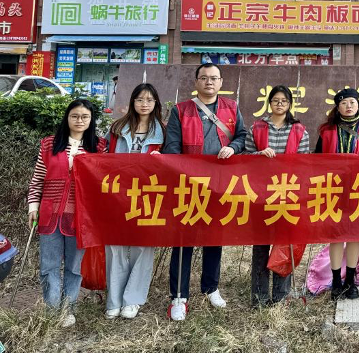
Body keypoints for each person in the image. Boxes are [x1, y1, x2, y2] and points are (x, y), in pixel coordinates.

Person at [163, 63, 247, 321]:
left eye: (214, 78)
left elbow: (242, 136)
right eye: (204, 78)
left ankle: (211, 287)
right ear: (196, 82)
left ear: (221, 82)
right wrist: (183, 175)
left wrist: (233, 147)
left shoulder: (231, 108)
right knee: (183, 240)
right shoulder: (180, 110)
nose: (209, 82)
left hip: (220, 184)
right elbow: (172, 147)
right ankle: (179, 296)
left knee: (214, 236)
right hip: (189, 184)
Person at [27, 99, 107, 327]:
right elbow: (37, 180)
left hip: (81, 218)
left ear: (91, 120)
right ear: (67, 117)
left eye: (85, 117)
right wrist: (33, 207)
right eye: (75, 116)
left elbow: (103, 182)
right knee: (49, 265)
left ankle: (68, 308)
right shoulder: (49, 145)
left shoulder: (99, 147)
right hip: (49, 214)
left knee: (74, 266)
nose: (79, 120)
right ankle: (52, 310)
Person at [244, 86, 310, 307]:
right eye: (275, 100)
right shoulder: (257, 127)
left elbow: (304, 162)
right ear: (269, 103)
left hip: (288, 192)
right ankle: (259, 296)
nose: (279, 104)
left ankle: (281, 295)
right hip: (261, 192)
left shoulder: (299, 130)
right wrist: (259, 155)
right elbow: (244, 156)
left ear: (290, 104)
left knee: (285, 243)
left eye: (284, 101)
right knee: (261, 243)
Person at [104, 83, 165, 320]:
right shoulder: (117, 128)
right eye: (140, 99)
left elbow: (173, 161)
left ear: (156, 103)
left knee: (143, 246)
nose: (144, 104)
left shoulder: (163, 131)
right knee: (114, 245)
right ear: (132, 102)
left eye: (149, 100)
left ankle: (133, 299)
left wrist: (162, 158)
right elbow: (102, 157)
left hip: (149, 194)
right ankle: (114, 300)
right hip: (118, 193)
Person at [314, 88, 359, 300]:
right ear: (337, 107)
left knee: (354, 235)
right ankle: (336, 281)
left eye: (352, 102)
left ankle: (351, 280)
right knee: (335, 235)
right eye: (343, 103)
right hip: (333, 188)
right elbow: (317, 159)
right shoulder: (327, 130)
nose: (348, 106)